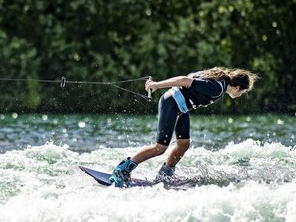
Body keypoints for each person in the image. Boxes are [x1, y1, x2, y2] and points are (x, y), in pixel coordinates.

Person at [109, 67, 258, 186]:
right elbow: (185, 80)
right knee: (160, 148)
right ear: (237, 87)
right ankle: (121, 170)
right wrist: (156, 85)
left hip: (181, 108)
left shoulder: (220, 82)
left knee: (183, 145)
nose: (241, 95)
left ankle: (164, 175)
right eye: (243, 92)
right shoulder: (217, 88)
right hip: (171, 103)